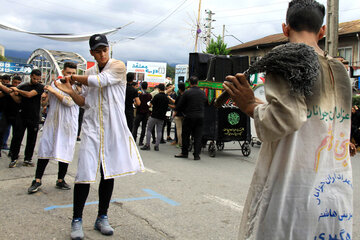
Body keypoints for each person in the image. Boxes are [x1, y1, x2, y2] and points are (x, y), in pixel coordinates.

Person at [223, 1, 355, 239]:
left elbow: (287, 119)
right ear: (322, 31)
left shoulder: (288, 59)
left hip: (294, 193)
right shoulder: (340, 70)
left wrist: (250, 105)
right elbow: (309, 120)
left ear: (285, 28)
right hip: (334, 190)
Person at [54, 33, 144, 240]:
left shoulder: (118, 66)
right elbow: (84, 102)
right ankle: (76, 219)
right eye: (98, 51)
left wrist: (73, 78)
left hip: (113, 129)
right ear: (92, 53)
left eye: (105, 49)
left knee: (108, 172)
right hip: (92, 128)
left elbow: (100, 81)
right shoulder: (88, 72)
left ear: (109, 49)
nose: (103, 54)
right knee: (84, 174)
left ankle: (102, 216)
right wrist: (69, 90)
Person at [27, 62, 79, 194]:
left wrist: (54, 91)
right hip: (52, 123)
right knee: (45, 149)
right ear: (63, 72)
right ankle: (37, 180)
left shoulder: (78, 88)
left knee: (65, 151)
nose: (71, 76)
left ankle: (61, 179)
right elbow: (46, 102)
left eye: (73, 73)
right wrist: (43, 98)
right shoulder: (54, 84)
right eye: (68, 73)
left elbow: (69, 102)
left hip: (68, 125)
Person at [8, 69, 45, 168]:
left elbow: (29, 95)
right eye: (34, 78)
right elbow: (18, 100)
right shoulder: (24, 86)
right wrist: (12, 94)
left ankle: (27, 159)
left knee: (31, 139)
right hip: (21, 116)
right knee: (17, 137)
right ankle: (14, 158)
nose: (36, 80)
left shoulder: (40, 87)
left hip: (33, 117)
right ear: (31, 76)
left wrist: (17, 90)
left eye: (38, 79)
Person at [174, 76, 207, 160]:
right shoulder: (202, 93)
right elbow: (205, 102)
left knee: (185, 135)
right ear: (197, 83)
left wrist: (177, 111)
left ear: (190, 83)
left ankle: (184, 152)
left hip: (189, 116)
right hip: (200, 117)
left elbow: (180, 104)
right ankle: (196, 155)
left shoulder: (187, 92)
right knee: (198, 136)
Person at [140, 83, 169, 151]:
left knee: (149, 129)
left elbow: (150, 104)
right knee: (159, 131)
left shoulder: (157, 96)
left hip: (154, 115)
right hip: (162, 117)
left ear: (158, 89)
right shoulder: (166, 98)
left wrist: (150, 105)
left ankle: (147, 145)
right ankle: (156, 146)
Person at [0, 75, 21, 156]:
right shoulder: (7, 87)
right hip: (6, 113)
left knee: (16, 134)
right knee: (1, 132)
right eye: (15, 82)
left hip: (17, 114)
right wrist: (8, 90)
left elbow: (19, 100)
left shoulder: (22, 89)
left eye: (18, 83)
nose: (16, 84)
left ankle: (13, 152)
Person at [132, 81, 152, 146]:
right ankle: (141, 141)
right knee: (144, 127)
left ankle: (134, 139)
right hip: (146, 113)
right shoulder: (149, 95)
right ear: (147, 87)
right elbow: (150, 105)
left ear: (141, 86)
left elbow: (136, 103)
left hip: (139, 112)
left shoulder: (138, 94)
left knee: (135, 127)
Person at [172, 82, 186, 148]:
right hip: (185, 115)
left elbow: (176, 106)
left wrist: (174, 114)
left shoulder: (179, 97)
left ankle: (180, 143)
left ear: (179, 89)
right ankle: (185, 142)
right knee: (184, 129)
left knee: (179, 129)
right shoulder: (187, 96)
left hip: (178, 115)